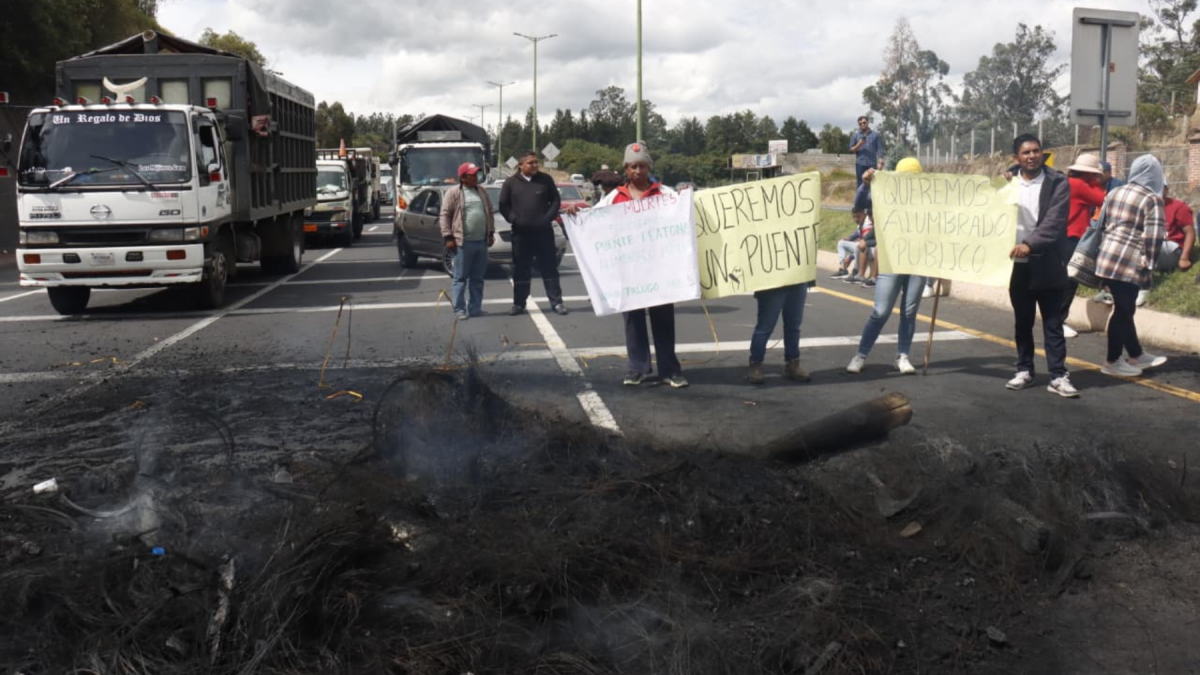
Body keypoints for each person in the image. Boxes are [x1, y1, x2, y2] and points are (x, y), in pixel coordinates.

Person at [594, 143, 688, 389]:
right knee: (633, 320)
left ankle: (670, 370)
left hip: (660, 269)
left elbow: (682, 214)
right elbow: (593, 220)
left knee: (663, 320)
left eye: (642, 166)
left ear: (649, 168)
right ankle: (637, 368)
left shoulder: (665, 193)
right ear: (626, 169)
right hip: (629, 271)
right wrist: (575, 213)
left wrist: (686, 197)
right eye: (633, 166)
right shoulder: (614, 197)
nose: (638, 171)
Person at [1004, 134, 1077, 398]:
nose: (1032, 156)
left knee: (1053, 323)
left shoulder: (1057, 183)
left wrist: (1029, 244)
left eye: (1036, 151)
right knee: (1022, 322)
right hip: (1017, 266)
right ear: (1017, 158)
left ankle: (1058, 376)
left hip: (1048, 262)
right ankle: (1024, 370)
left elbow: (1054, 222)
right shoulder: (1007, 183)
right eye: (1026, 153)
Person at [845, 157, 925, 376]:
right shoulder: (887, 194)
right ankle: (861, 354)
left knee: (909, 312)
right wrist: (865, 184)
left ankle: (903, 356)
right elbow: (860, 204)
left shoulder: (929, 198)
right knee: (880, 312)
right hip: (892, 259)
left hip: (919, 260)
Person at [1095, 155, 1168, 377]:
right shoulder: (1152, 199)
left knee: (1125, 307)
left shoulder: (1115, 192)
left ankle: (1136, 354)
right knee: (1123, 310)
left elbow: (1101, 223)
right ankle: (1112, 361)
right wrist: (1149, 264)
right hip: (1129, 260)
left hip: (1107, 256)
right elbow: (1154, 236)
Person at [499, 150, 567, 316]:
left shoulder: (546, 180)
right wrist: (514, 219)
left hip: (544, 233)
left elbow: (555, 200)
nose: (535, 165)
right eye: (531, 163)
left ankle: (557, 302)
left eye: (536, 162)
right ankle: (519, 304)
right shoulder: (510, 183)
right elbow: (503, 205)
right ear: (521, 165)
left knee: (549, 269)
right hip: (521, 235)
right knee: (521, 270)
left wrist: (547, 218)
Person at [1059, 153, 1107, 337]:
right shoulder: (1080, 185)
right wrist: (1096, 182)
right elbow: (1102, 200)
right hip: (1073, 236)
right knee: (1070, 280)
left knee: (1064, 279)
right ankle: (1059, 320)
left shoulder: (1068, 182)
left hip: (1063, 236)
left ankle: (1056, 319)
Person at [440, 162, 495, 320]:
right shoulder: (453, 192)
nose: (476, 177)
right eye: (472, 175)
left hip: (481, 242)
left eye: (476, 174)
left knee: (478, 279)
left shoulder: (481, 191)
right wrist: (448, 237)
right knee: (460, 278)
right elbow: (445, 215)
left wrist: (490, 233)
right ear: (463, 177)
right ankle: (459, 309)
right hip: (463, 243)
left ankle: (475, 308)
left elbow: (489, 212)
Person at [1157, 180, 1194, 274]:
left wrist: (1184, 258)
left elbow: (1190, 233)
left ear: (1166, 189)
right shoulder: (1148, 207)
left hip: (1172, 248)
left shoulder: (1179, 207)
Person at [848, 116, 883, 187]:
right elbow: (851, 150)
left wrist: (880, 161)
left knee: (873, 185)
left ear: (868, 123)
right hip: (860, 164)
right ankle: (861, 195)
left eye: (864, 122)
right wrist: (859, 144)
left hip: (872, 164)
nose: (862, 124)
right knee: (860, 185)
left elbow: (880, 149)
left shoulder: (875, 135)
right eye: (860, 123)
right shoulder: (855, 136)